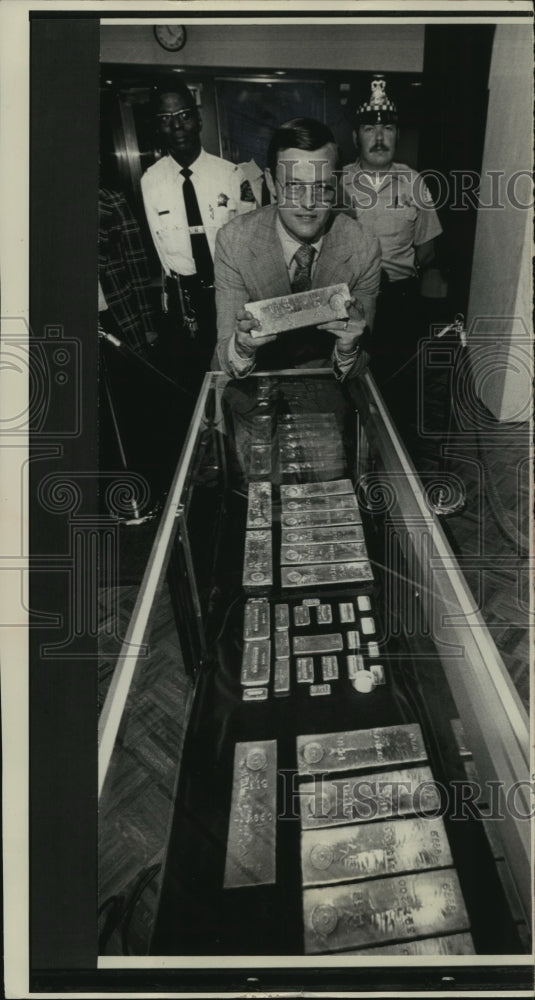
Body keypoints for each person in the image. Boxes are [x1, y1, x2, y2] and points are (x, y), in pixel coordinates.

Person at [214, 117, 382, 380]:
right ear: (271, 183)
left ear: (336, 184)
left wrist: (349, 349)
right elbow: (225, 356)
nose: (308, 203)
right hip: (259, 383)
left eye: (322, 187)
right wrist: (242, 347)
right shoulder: (234, 241)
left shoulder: (363, 246)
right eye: (294, 186)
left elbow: (362, 362)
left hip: (331, 387)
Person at [342, 75, 443, 438]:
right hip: (350, 302)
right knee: (349, 382)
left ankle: (395, 458)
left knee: (398, 389)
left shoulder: (415, 183)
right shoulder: (337, 185)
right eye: (369, 128)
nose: (379, 138)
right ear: (356, 137)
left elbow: (426, 250)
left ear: (398, 135)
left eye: (387, 129)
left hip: (399, 301)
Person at [141, 80, 254, 389]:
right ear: (157, 126)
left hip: (229, 291)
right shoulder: (150, 181)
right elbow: (158, 247)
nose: (176, 125)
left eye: (183, 114)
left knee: (237, 374)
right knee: (193, 381)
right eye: (165, 118)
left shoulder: (231, 175)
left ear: (198, 119)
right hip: (185, 300)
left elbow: (250, 240)